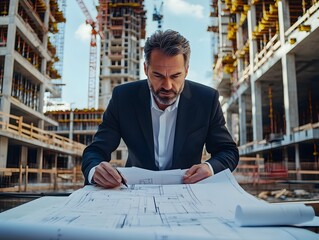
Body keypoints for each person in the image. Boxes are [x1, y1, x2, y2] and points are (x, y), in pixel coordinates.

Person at [82, 29, 239, 188]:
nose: (167, 85)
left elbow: (227, 151)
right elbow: (95, 151)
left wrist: (209, 168)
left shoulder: (207, 99)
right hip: (134, 191)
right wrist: (95, 170)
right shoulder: (123, 98)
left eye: (175, 76)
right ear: (145, 69)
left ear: (186, 70)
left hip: (188, 190)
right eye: (158, 76)